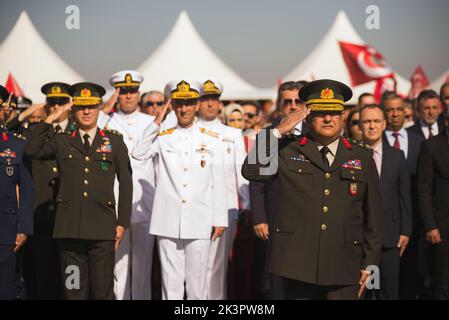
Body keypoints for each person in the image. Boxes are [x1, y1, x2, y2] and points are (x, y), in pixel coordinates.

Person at [242, 79, 382, 300]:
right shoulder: (288, 149)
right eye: (320, 112)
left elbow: (373, 218)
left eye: (334, 112)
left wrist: (369, 265)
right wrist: (277, 132)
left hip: (344, 265)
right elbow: (251, 171)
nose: (328, 118)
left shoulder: (361, 156)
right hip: (297, 265)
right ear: (308, 116)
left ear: (342, 116)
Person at [24, 82, 133, 300]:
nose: (86, 111)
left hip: (102, 231)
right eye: (81, 106)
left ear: (99, 108)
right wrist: (50, 118)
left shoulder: (113, 141)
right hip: (69, 232)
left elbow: (127, 182)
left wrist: (122, 223)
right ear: (73, 108)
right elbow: (31, 149)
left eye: (91, 106)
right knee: (73, 290)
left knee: (102, 292)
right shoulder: (62, 141)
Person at [131, 79, 228, 300]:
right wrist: (156, 122)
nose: (183, 109)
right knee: (170, 287)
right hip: (168, 220)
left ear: (197, 105)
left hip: (200, 219)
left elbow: (219, 181)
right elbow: (138, 152)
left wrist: (220, 218)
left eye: (189, 103)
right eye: (179, 104)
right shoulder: (164, 137)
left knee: (197, 287)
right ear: (173, 106)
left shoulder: (211, 139)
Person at [97, 70, 158, 300]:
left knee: (143, 268)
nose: (129, 96)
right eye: (123, 91)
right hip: (114, 204)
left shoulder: (151, 123)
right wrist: (106, 106)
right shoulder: (108, 121)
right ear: (117, 94)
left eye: (133, 91)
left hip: (144, 203)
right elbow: (90, 127)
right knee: (118, 268)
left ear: (139, 93)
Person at [196, 79, 249, 300]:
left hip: (226, 209)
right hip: (196, 209)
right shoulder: (189, 130)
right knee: (194, 268)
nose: (210, 103)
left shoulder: (232, 133)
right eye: (205, 99)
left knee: (218, 269)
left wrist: (246, 205)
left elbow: (241, 172)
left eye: (214, 99)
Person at [360, 104, 412, 299]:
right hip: (361, 240)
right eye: (366, 121)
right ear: (359, 124)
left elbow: (404, 196)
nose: (371, 126)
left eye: (375, 121)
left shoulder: (397, 157)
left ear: (384, 124)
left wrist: (406, 230)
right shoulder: (351, 155)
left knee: (388, 291)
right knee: (364, 291)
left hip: (390, 239)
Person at [381, 92, 426, 299]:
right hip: (385, 225)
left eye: (399, 109)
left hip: (413, 221)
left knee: (410, 274)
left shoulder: (419, 141)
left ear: (406, 111)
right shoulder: (375, 142)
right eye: (390, 110)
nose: (395, 114)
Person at [0, 85, 33, 300]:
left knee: (6, 288)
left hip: (6, 230)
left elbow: (27, 190)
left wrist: (24, 228)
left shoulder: (16, 144)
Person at [417, 106, 449, 299]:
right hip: (443, 228)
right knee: (443, 283)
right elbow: (424, 189)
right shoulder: (432, 146)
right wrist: (431, 225)